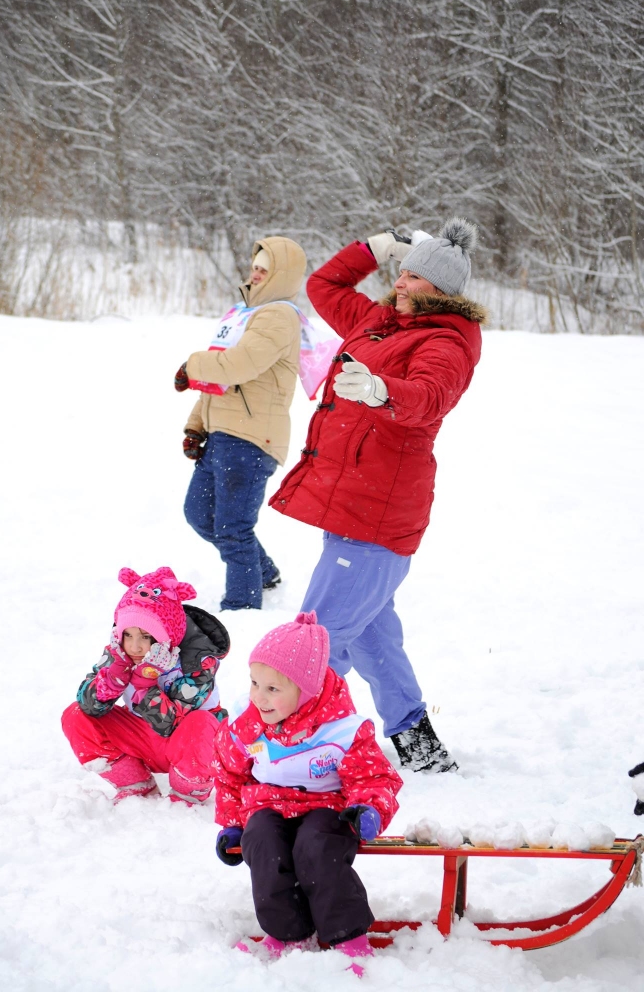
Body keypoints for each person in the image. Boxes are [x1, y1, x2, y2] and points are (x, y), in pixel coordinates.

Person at [269, 219, 488, 773]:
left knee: (316, 639)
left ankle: (294, 748)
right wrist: (374, 248)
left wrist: (380, 389)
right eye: (403, 270)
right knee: (371, 637)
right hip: (349, 503)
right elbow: (323, 287)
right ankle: (420, 747)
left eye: (413, 275)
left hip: (380, 512)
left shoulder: (447, 341)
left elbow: (431, 395)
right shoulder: (378, 321)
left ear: (441, 289)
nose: (401, 281)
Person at [213, 611, 402, 975]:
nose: (259, 697)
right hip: (267, 805)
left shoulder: (340, 729)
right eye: (255, 683)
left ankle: (349, 939)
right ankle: (288, 933)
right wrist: (233, 825)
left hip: (326, 806)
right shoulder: (245, 723)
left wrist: (368, 808)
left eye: (273, 689)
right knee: (262, 842)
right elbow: (228, 774)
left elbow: (375, 777)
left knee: (317, 846)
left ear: (306, 691)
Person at [175, 237, 307, 611]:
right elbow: (220, 375)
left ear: (282, 275)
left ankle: (242, 607)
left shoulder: (279, 316)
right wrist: (196, 426)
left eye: (266, 268)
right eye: (256, 265)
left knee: (232, 528)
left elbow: (239, 365)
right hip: (222, 435)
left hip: (250, 439)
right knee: (200, 515)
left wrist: (191, 365)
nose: (256, 272)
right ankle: (262, 572)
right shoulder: (245, 315)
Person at [62, 566, 229, 804]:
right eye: (128, 635)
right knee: (76, 716)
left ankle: (187, 793)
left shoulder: (199, 661)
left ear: (166, 634)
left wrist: (144, 682)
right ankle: (134, 783)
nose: (135, 646)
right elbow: (88, 705)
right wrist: (110, 680)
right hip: (141, 735)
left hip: (188, 743)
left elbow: (170, 724)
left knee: (200, 723)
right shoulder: (120, 653)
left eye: (146, 637)